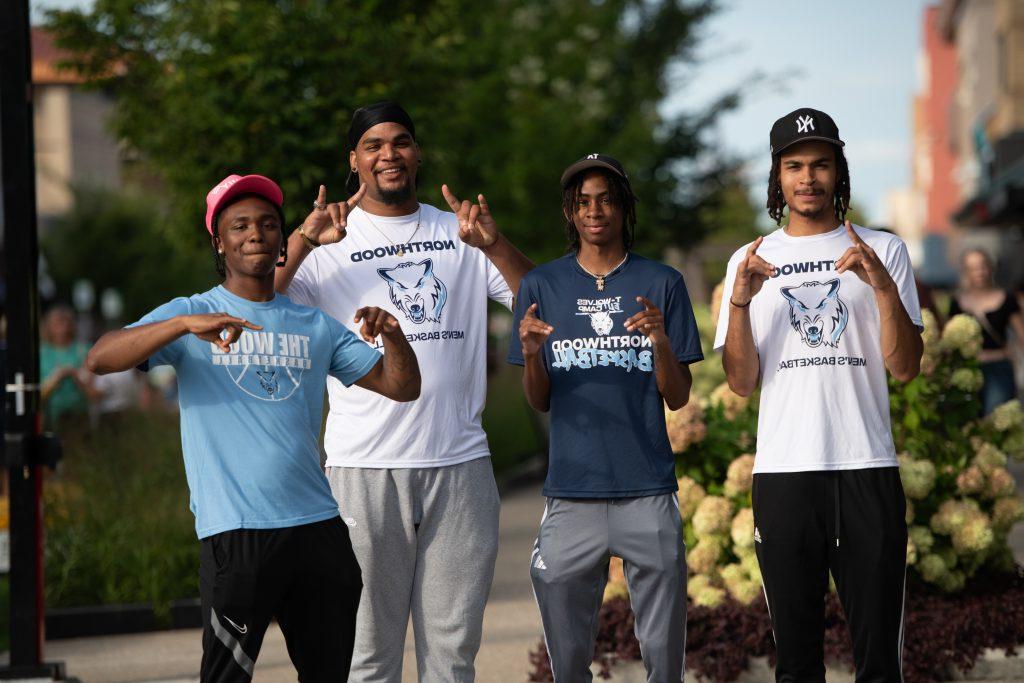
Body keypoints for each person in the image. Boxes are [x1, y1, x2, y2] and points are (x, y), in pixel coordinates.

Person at [86, 174, 420, 682]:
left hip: (317, 530)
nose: (255, 234)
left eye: (267, 224)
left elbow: (402, 387)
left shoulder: (313, 324)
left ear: (282, 239)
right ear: (218, 242)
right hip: (237, 533)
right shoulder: (192, 314)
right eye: (239, 225)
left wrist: (393, 335)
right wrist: (180, 326)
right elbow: (100, 358)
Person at [273, 101, 534, 682]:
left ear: (416, 154)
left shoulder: (457, 231)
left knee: (452, 654)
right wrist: (303, 240)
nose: (388, 154)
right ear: (354, 160)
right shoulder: (329, 241)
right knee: (367, 654)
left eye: (400, 142)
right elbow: (254, 306)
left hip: (459, 465)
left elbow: (537, 301)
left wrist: (493, 245)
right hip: (363, 468)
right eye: (373, 145)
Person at [715, 109, 923, 682]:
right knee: (797, 665)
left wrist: (879, 284)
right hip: (785, 474)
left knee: (881, 662)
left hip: (867, 468)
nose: (808, 177)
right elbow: (739, 382)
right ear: (778, 178)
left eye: (821, 165)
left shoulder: (886, 250)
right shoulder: (749, 259)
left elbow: (905, 368)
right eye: (795, 166)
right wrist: (738, 301)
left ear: (839, 172)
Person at [508, 154, 702, 682]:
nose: (595, 210)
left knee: (664, 655)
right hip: (572, 492)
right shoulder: (542, 287)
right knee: (567, 659)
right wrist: (529, 354)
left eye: (607, 199)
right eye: (583, 201)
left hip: (647, 488)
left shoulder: (661, 282)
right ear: (570, 212)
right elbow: (539, 400)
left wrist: (661, 342)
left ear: (624, 207)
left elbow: (679, 396)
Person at [950, 248, 1024, 414]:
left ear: (990, 267)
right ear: (965, 271)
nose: (979, 272)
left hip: (999, 368)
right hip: (967, 369)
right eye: (973, 268)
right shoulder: (957, 302)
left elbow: (1021, 335)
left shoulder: (1006, 298)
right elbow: (949, 338)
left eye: (982, 266)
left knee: (996, 418)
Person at [40, 303, 96, 429]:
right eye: (57, 324)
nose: (63, 328)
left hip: (79, 416)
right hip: (52, 417)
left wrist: (74, 374)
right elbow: (39, 394)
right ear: (48, 327)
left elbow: (92, 390)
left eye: (66, 323)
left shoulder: (83, 350)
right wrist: (57, 377)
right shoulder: (42, 353)